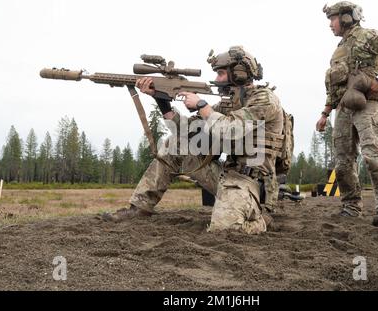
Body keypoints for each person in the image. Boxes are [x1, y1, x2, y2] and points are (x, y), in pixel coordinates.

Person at [102, 46, 285, 234]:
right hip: (226, 176)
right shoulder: (228, 103)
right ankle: (139, 208)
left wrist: (201, 105)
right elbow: (185, 131)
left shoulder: (265, 100)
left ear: (239, 73)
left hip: (253, 183)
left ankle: (262, 220)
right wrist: (161, 99)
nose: (217, 79)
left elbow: (231, 129)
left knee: (225, 229)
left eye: (221, 73)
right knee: (175, 144)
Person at [316, 1, 378, 226]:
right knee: (343, 162)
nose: (330, 24)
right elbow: (335, 87)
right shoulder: (339, 50)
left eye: (333, 18)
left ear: (347, 17)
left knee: (373, 155)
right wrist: (325, 113)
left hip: (367, 104)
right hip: (343, 109)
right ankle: (351, 206)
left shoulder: (368, 36)